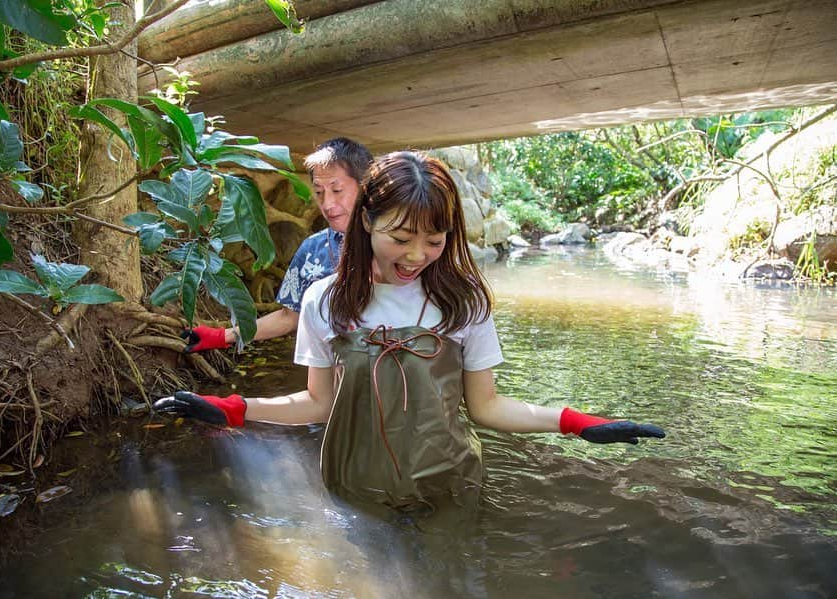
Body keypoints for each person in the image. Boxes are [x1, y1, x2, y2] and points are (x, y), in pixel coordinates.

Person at [155, 151, 665, 509]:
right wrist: (235, 409)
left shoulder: (463, 302)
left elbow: (487, 408)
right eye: (400, 238)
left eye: (435, 241)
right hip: (353, 485)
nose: (417, 256)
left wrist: (578, 423)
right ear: (367, 223)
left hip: (448, 484)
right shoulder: (325, 300)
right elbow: (317, 404)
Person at [181, 137, 373, 351]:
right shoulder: (312, 249)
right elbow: (288, 317)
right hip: (334, 373)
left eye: (337, 191)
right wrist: (221, 336)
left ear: (365, 187)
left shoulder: (395, 241)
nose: (327, 204)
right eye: (319, 192)